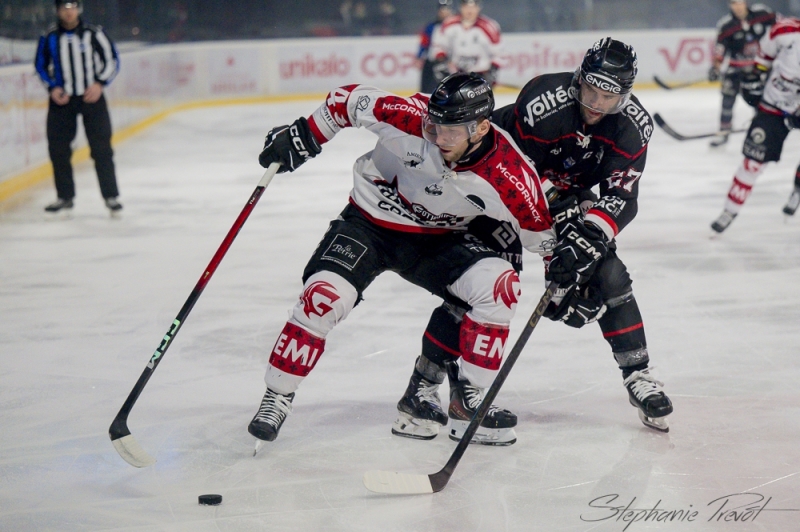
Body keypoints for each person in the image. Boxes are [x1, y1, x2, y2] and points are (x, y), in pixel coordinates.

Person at [248, 73, 557, 450]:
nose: (438, 137)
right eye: (434, 125)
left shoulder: (510, 175)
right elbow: (347, 100)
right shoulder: (409, 116)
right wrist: (306, 134)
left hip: (439, 242)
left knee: (501, 288)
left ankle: (469, 399)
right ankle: (276, 396)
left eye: (451, 131)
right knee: (323, 297)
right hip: (369, 226)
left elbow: (541, 231)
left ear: (480, 128)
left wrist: (558, 269)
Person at [489, 37, 674, 432]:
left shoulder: (632, 127)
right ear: (578, 80)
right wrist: (553, 253)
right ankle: (440, 381)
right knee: (485, 279)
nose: (596, 104)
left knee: (608, 273)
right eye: (591, 90)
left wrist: (582, 241)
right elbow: (513, 178)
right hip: (494, 184)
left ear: (625, 95)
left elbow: (622, 197)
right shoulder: (544, 103)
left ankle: (638, 375)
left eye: (609, 96)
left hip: (565, 188)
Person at [710, 16, 800, 233]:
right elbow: (762, 61)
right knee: (753, 160)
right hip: (774, 103)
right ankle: (730, 209)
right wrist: (753, 82)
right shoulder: (785, 31)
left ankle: (798, 190)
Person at [34, 0, 122, 216]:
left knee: (102, 149)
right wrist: (52, 88)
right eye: (64, 7)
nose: (68, 11)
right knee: (58, 150)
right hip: (62, 101)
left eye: (72, 6)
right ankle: (65, 197)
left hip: (92, 98)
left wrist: (100, 83)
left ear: (79, 9)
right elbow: (40, 65)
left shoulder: (94, 33)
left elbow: (111, 59)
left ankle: (110, 196)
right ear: (58, 11)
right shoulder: (50, 36)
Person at [708, 0, 776, 147]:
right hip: (736, 70)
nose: (737, 7)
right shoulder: (726, 25)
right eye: (734, 3)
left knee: (760, 103)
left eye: (740, 2)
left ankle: (762, 132)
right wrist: (715, 68)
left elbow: (780, 28)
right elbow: (720, 51)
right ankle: (723, 132)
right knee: (727, 100)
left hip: (759, 69)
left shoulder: (762, 14)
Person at [429, 0, 502, 86]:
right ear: (461, 7)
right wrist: (441, 62)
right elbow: (438, 46)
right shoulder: (449, 24)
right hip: (456, 75)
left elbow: (499, 52)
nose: (469, 11)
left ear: (478, 8)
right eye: (466, 7)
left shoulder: (489, 26)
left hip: (481, 75)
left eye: (473, 7)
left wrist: (493, 70)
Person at [417, 0, 454, 94]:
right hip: (431, 62)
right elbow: (424, 43)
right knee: (426, 90)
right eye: (442, 10)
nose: (444, 13)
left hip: (448, 63)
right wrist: (419, 56)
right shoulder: (431, 26)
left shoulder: (456, 27)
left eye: (446, 10)